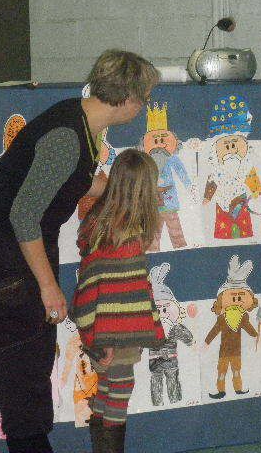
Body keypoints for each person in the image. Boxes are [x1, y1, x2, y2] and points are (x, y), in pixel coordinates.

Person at [0, 50, 159, 453]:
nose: (143, 107)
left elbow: (62, 184)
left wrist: (120, 189)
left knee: (31, 363)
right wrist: (49, 288)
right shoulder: (68, 139)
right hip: (5, 252)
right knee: (22, 366)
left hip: (18, 246)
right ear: (127, 99)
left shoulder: (80, 124)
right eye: (143, 98)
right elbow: (25, 216)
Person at [71, 149, 166, 453]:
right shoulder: (123, 238)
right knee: (120, 390)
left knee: (108, 390)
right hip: (115, 335)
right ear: (142, 191)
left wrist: (96, 337)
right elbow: (109, 291)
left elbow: (100, 287)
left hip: (107, 333)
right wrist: (104, 340)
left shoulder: (107, 228)